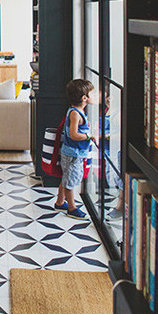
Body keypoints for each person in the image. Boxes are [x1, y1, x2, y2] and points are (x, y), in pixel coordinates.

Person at [55, 78, 96, 218]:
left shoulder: (77, 111)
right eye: (93, 93)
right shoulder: (75, 114)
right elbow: (73, 135)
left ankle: (60, 202)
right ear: (84, 98)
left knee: (66, 177)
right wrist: (88, 135)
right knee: (70, 181)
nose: (95, 96)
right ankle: (72, 208)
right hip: (73, 153)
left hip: (74, 152)